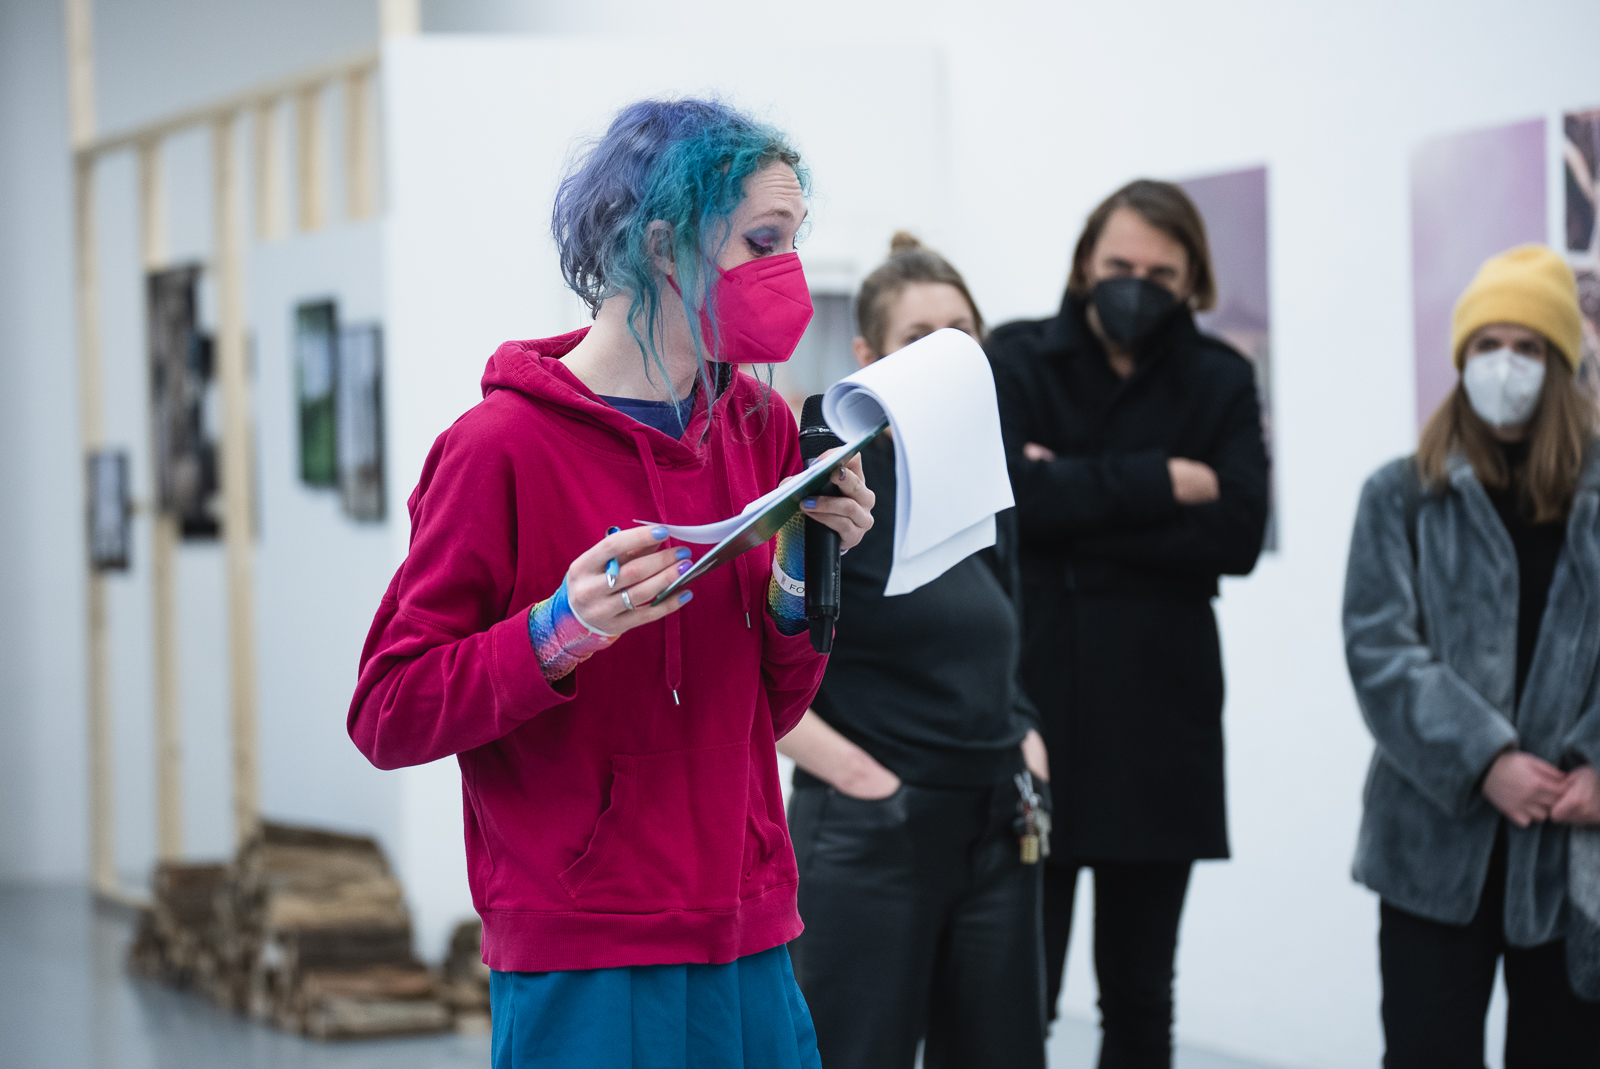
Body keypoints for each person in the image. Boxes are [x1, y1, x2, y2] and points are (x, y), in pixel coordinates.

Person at [346, 99, 876, 1069]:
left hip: (748, 925)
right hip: (586, 945)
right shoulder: (498, 448)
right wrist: (557, 631)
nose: (787, 273)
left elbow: (769, 703)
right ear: (662, 244)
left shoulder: (759, 427)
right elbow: (388, 710)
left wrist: (805, 568)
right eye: (762, 241)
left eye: (794, 241)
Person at [986, 180, 1269, 1067]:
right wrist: (1165, 479)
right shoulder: (1017, 357)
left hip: (1160, 717)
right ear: (1084, 264)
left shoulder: (1221, 377)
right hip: (1039, 705)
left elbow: (1238, 532)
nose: (1135, 287)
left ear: (1192, 282)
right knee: (1017, 992)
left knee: (1142, 996)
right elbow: (1013, 502)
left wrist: (1073, 493)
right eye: (1119, 266)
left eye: (1160, 274)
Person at [779, 233, 1051, 1069]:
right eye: (917, 336)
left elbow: (1006, 625)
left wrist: (1026, 733)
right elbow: (755, 656)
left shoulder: (981, 476)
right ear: (868, 358)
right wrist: (854, 774)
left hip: (997, 820)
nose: (942, 354)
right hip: (872, 831)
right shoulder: (826, 482)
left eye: (959, 333)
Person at [1344, 244, 1600, 1067]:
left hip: (1571, 849)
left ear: (1561, 362)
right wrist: (1485, 758)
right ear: (1461, 359)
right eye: (1486, 344)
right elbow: (1380, 650)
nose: (1504, 364)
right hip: (1429, 842)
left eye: (1527, 346)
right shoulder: (1400, 493)